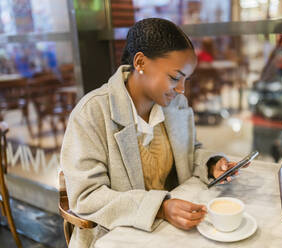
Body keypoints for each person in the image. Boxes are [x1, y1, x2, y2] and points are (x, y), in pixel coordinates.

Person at [60, 18, 242, 248]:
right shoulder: (92, 113)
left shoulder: (176, 105)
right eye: (175, 77)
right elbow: (86, 197)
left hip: (167, 234)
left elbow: (190, 152)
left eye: (186, 79)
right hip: (111, 237)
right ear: (140, 62)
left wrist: (211, 165)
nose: (181, 89)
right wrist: (160, 208)